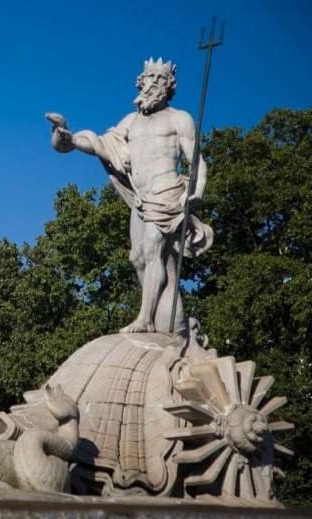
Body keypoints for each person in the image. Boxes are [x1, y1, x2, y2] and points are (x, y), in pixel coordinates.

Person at [47, 58, 213, 334]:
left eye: (158, 80)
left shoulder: (179, 118)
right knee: (138, 258)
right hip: (140, 198)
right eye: (147, 79)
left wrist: (196, 191)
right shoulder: (131, 122)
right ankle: (176, 324)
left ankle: (145, 319)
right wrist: (66, 136)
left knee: (151, 252)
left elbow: (196, 159)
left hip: (166, 194)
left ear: (168, 86)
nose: (151, 85)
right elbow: (100, 144)